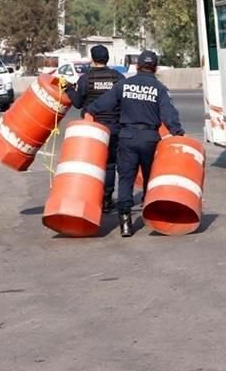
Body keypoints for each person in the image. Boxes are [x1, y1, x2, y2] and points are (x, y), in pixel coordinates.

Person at [87, 50, 184, 237]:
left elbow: (103, 103)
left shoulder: (124, 85)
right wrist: (177, 132)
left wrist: (90, 111)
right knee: (150, 178)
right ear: (155, 67)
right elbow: (169, 114)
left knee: (126, 179)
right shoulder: (159, 88)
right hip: (149, 139)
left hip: (127, 137)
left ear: (137, 65)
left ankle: (125, 222)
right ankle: (151, 214)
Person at [63, 45, 124, 213]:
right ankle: (106, 198)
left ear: (92, 59)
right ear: (107, 59)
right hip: (114, 126)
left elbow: (77, 103)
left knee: (91, 166)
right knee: (111, 164)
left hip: (92, 129)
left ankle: (91, 197)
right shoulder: (118, 77)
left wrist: (68, 88)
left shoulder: (85, 79)